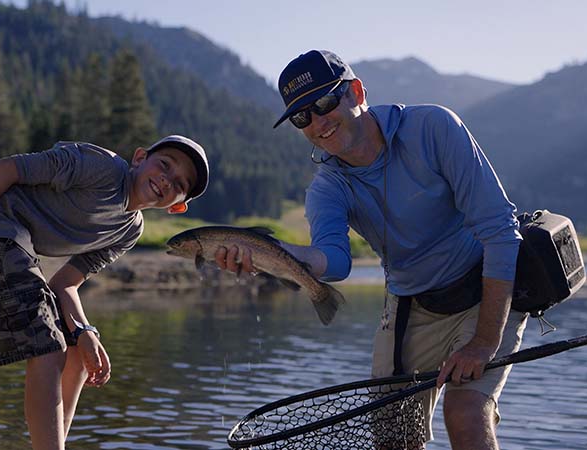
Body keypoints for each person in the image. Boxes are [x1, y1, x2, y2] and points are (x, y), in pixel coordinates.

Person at [215, 50, 526, 449]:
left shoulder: (434, 127)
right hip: (410, 305)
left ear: (356, 92)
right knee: (393, 437)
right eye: (301, 117)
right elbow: (335, 260)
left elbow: (500, 232)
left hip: (485, 289)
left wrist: (483, 343)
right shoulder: (327, 188)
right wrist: (275, 256)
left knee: (464, 413)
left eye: (325, 103)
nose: (318, 122)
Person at [0, 135, 209, 450]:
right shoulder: (101, 167)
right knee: (49, 350)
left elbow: (65, 283)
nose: (167, 178)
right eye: (164, 164)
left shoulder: (130, 230)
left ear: (177, 206)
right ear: (139, 158)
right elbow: (7, 168)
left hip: (18, 247)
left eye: (179, 183)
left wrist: (85, 331)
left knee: (77, 353)